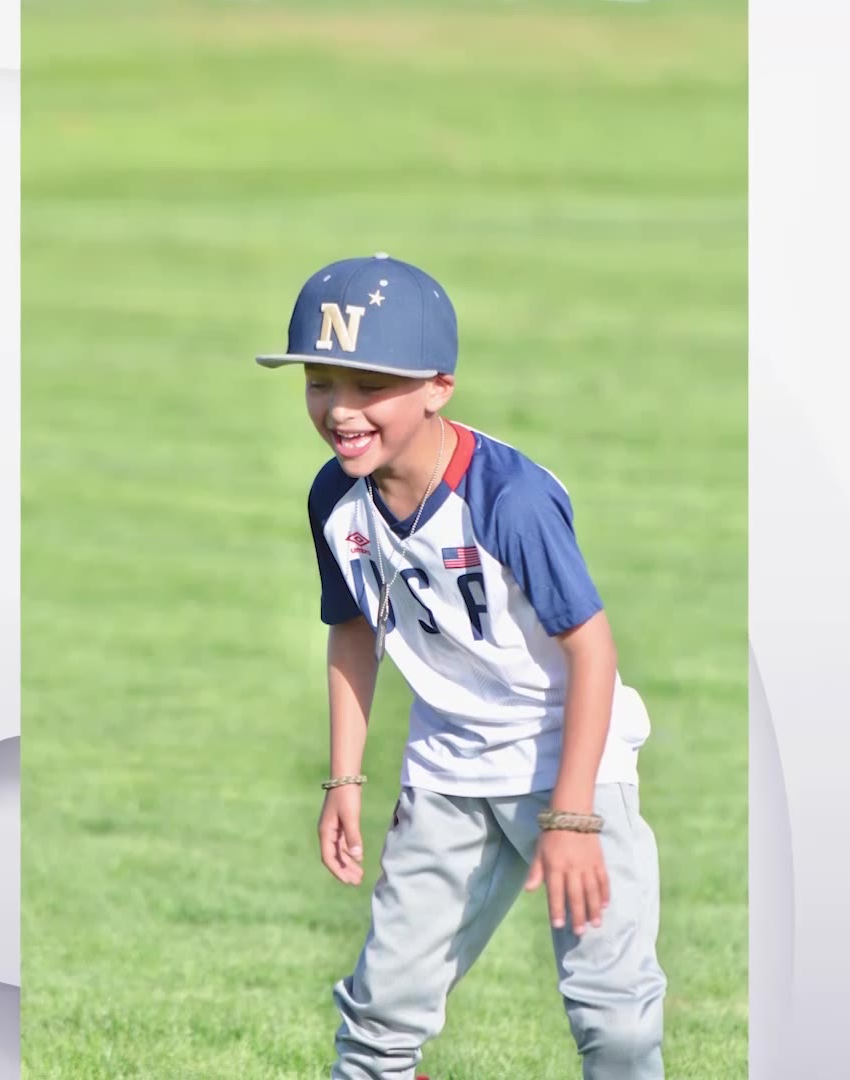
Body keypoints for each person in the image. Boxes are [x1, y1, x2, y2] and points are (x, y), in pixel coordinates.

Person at [255, 254, 667, 1079]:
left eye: (371, 385)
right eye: (319, 382)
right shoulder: (335, 497)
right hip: (448, 768)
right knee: (379, 1021)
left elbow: (591, 650)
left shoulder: (509, 498)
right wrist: (344, 780)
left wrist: (572, 817)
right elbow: (352, 628)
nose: (341, 409)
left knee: (617, 1024)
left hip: (570, 760)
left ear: (438, 387)